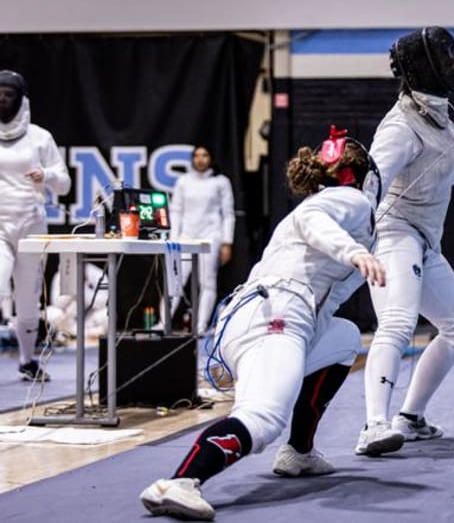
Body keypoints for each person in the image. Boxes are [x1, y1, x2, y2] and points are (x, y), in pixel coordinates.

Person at [140, 126, 385, 520]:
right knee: (263, 417)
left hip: (266, 314)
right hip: (278, 316)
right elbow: (312, 219)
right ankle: (180, 481)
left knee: (345, 338)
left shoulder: (342, 206)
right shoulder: (348, 200)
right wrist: (354, 251)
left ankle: (299, 452)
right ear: (365, 178)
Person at [356, 26, 454, 456]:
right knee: (397, 323)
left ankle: (409, 418)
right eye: (440, 59)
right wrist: (355, 238)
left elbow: (450, 170)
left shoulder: (440, 117)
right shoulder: (399, 126)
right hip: (394, 235)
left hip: (425, 241)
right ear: (421, 68)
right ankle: (373, 426)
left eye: (449, 57)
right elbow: (371, 183)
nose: (449, 64)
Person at [0, 70, 71, 382]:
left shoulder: (40, 137)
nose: (2, 99)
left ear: (21, 99)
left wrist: (47, 175)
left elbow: (64, 184)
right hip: (0, 225)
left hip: (31, 225)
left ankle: (27, 361)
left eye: (8, 94)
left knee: (28, 301)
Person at [168, 145, 235, 334]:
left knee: (207, 282)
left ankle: (200, 326)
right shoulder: (183, 181)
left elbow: (228, 213)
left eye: (204, 155)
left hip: (210, 236)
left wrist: (227, 242)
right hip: (186, 237)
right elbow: (176, 211)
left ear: (211, 158)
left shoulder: (221, 182)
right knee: (175, 281)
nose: (200, 159)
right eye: (197, 155)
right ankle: (164, 322)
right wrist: (173, 239)